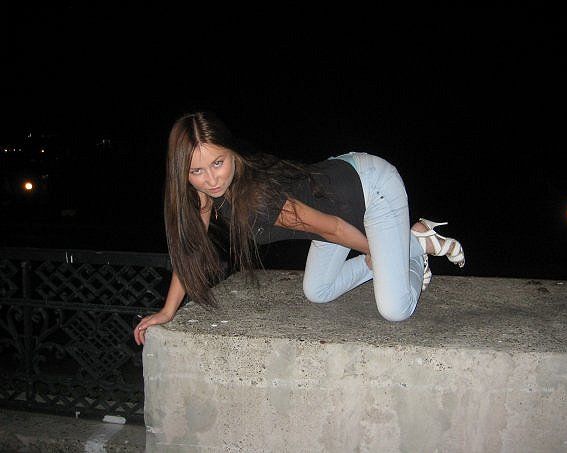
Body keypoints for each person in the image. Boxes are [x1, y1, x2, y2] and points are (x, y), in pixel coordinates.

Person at [134, 111, 464, 345]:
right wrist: (167, 311)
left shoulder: (257, 197)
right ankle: (386, 254)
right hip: (332, 199)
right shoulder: (204, 195)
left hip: (370, 189)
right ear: (183, 172)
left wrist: (377, 251)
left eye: (217, 163)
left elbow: (334, 228)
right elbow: (191, 250)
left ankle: (413, 245)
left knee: (395, 310)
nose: (210, 179)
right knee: (318, 291)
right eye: (197, 171)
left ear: (231, 153)